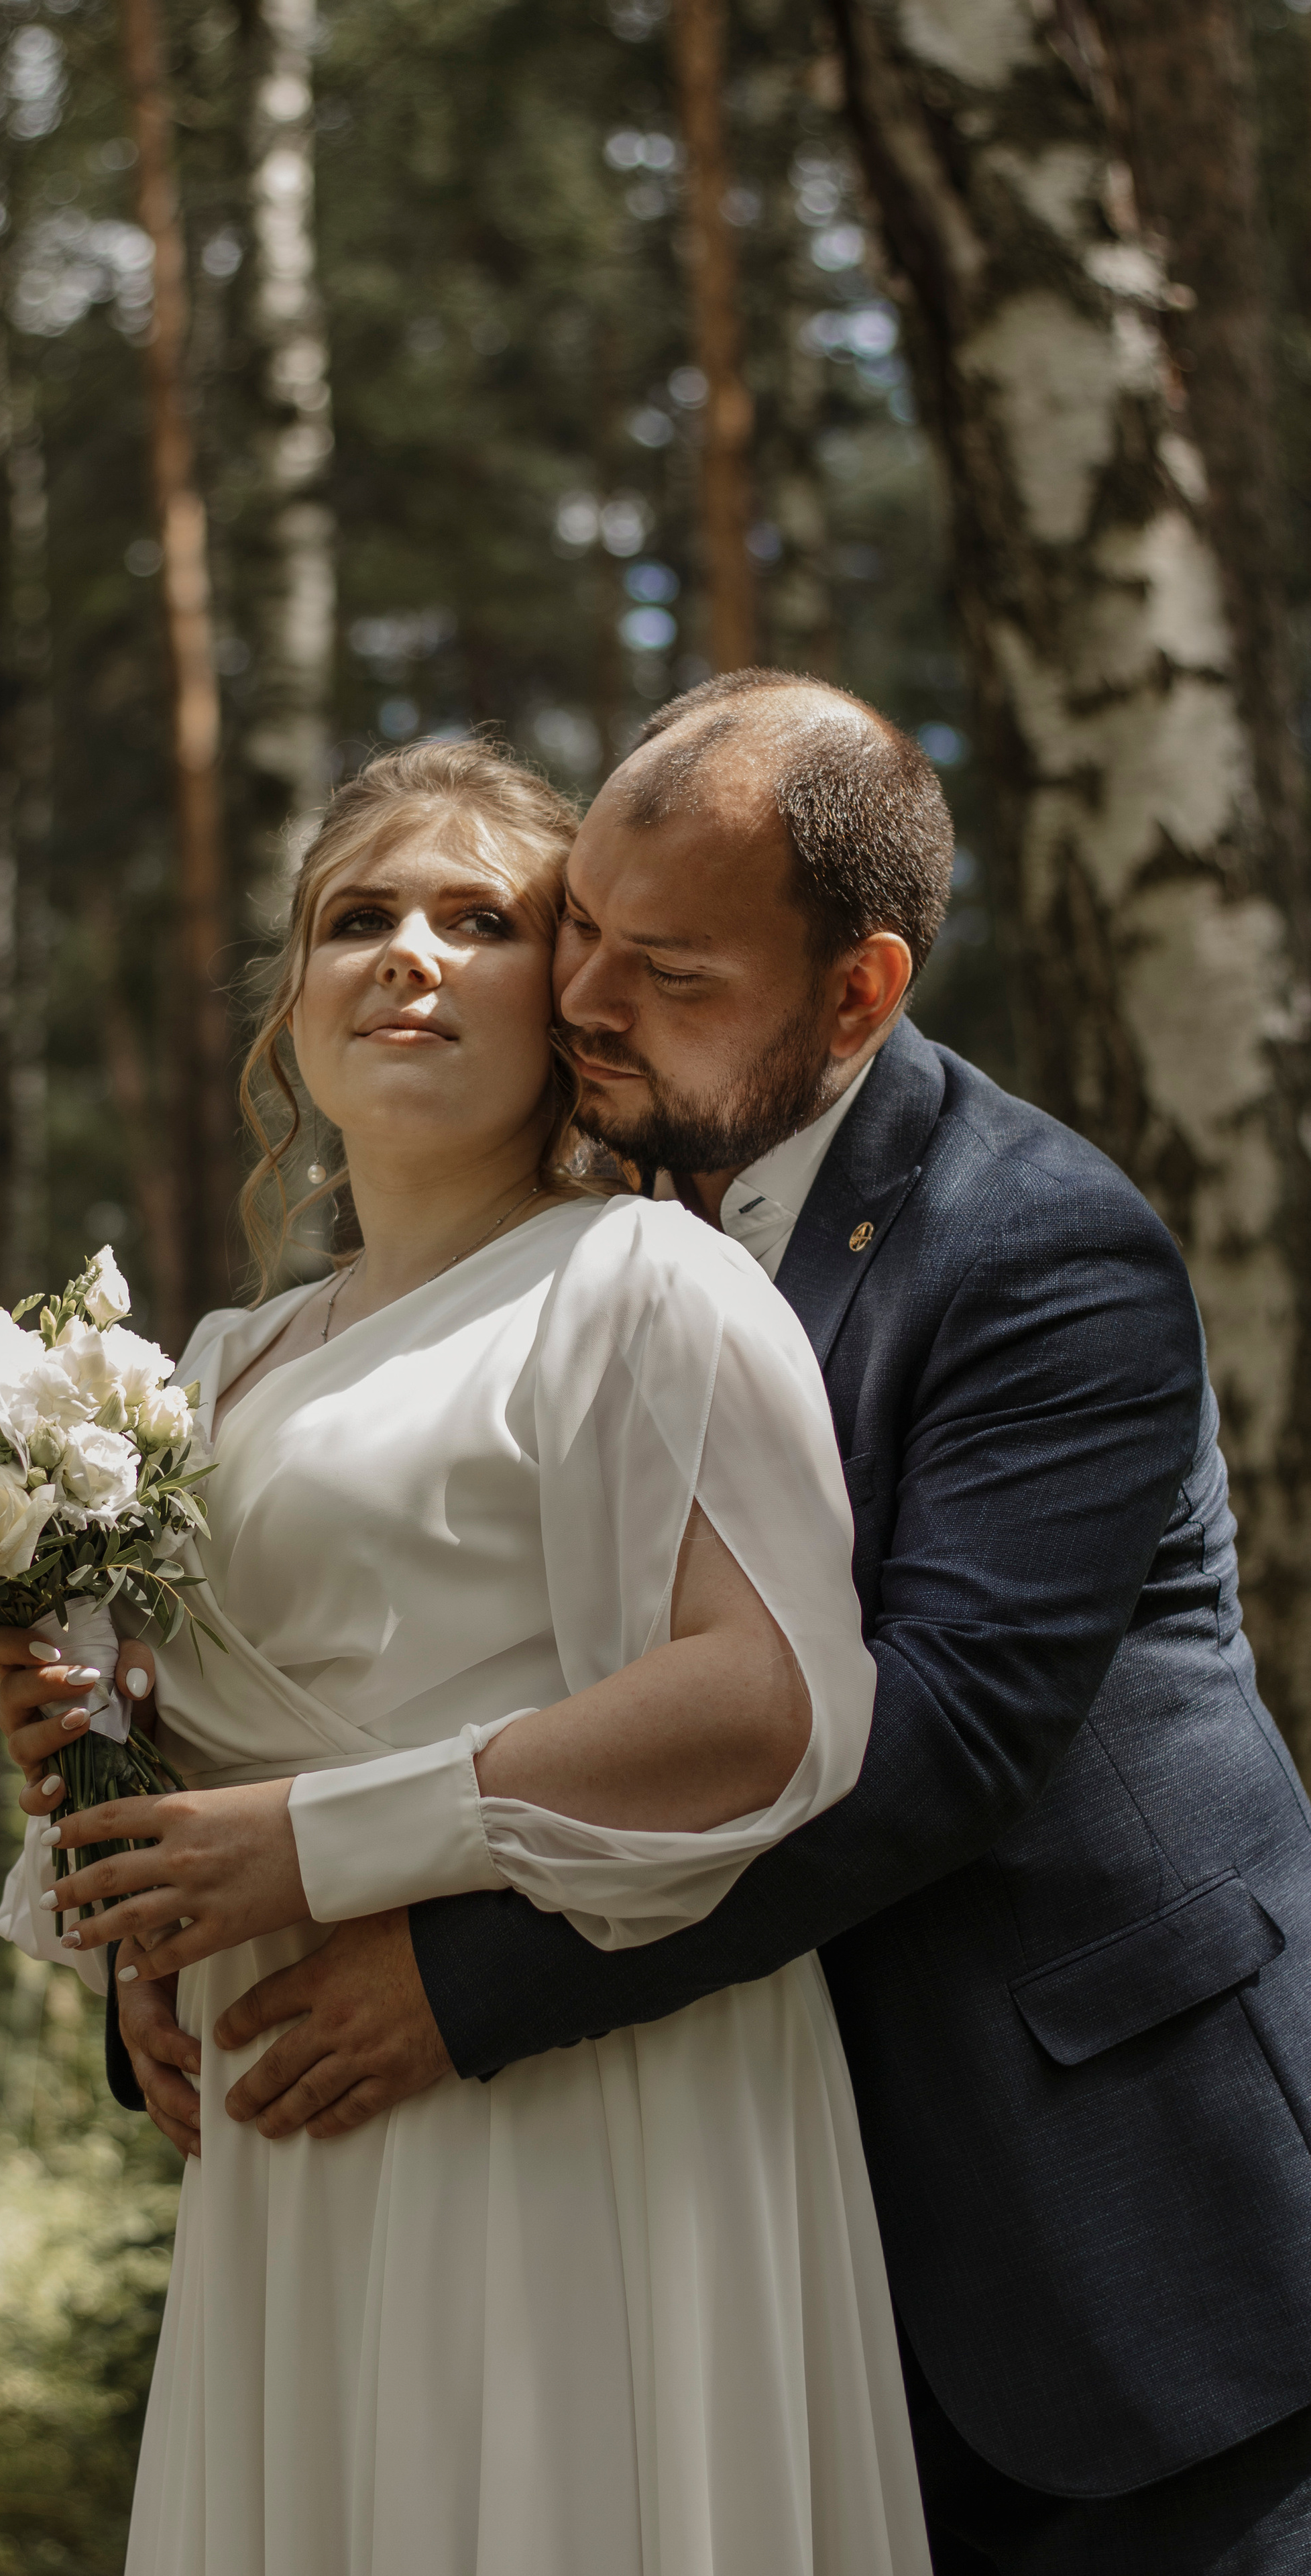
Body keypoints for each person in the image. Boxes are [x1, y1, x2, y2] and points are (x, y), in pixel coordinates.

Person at [107, 672, 1311, 2575]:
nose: (589, 1005)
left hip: (1101, 2191)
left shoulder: (1035, 1252)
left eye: (666, 971)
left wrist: (452, 1979)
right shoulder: (584, 1197)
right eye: (584, 933)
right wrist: (169, 1941)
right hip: (694, 2162)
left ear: (859, 993)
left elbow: (930, 1752)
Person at [0, 735, 933, 2575]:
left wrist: (311, 1843)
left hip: (577, 2085)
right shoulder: (211, 1366)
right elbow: (202, 1739)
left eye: (479, 919)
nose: (408, 953)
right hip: (294, 2110)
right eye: (359, 918)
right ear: (293, 1009)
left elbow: (769, 1703)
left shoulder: (647, 1284)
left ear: (567, 997)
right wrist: (133, 1900)